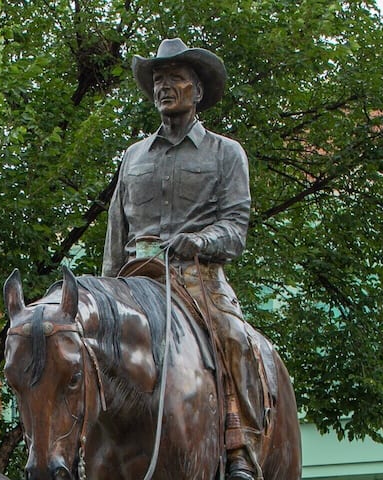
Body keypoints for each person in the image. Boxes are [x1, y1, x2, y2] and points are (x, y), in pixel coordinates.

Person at [102, 38, 266, 480]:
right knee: (84, 345)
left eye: (175, 78)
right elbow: (116, 233)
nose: (164, 86)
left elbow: (235, 227)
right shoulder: (133, 156)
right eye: (158, 79)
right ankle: (79, 449)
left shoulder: (226, 153)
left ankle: (240, 447)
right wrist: (104, 290)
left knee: (235, 339)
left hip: (197, 280)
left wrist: (199, 241)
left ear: (197, 90)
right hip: (134, 282)